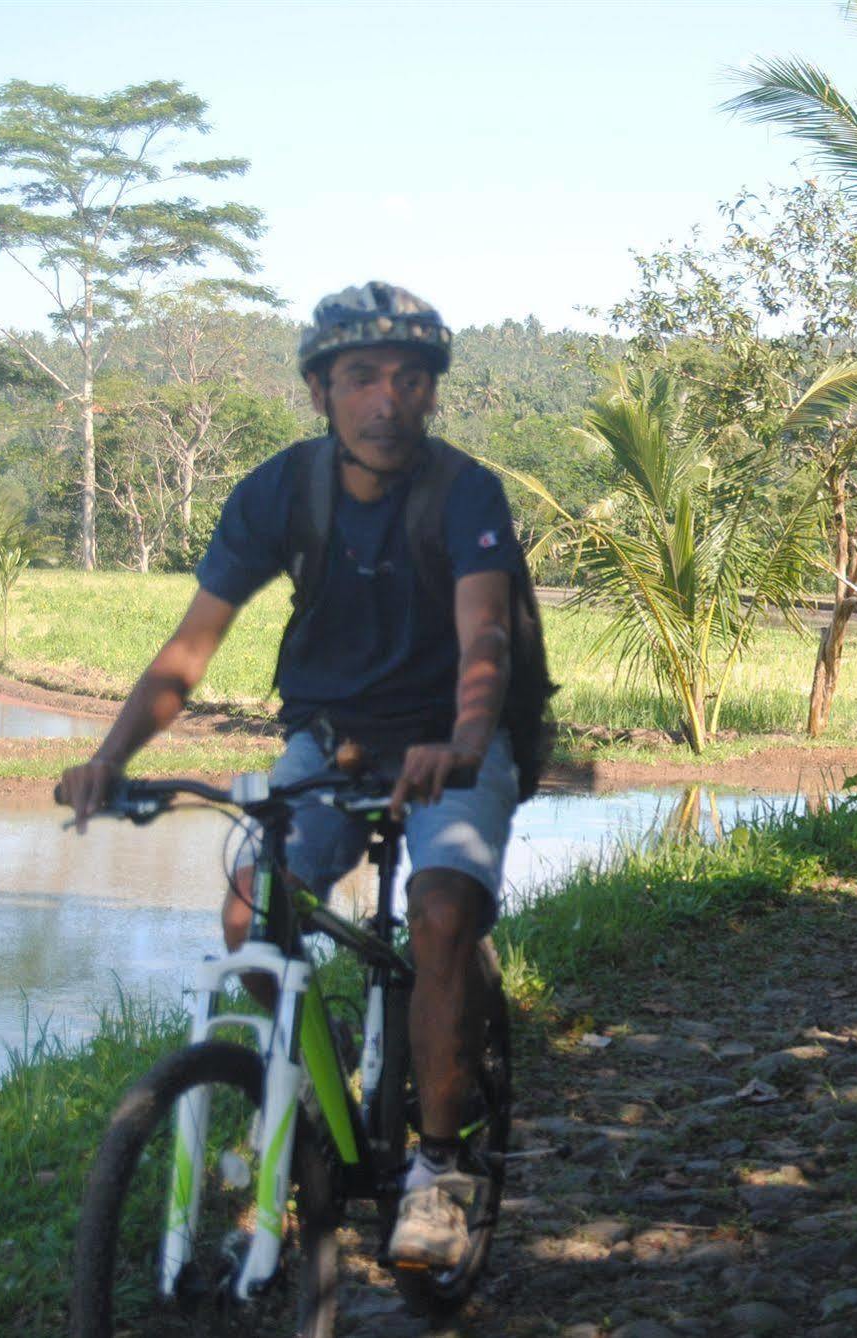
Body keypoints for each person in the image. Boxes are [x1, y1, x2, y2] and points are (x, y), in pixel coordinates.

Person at [57, 282, 524, 1273]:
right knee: (248, 914)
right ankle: (301, 1100)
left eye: (409, 379)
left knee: (441, 911)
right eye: (360, 378)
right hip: (331, 739)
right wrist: (109, 761)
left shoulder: (465, 493)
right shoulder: (282, 492)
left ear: (432, 395)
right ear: (320, 392)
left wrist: (467, 739)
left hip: (451, 742)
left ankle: (439, 1168)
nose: (385, 400)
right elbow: (190, 650)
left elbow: (484, 629)